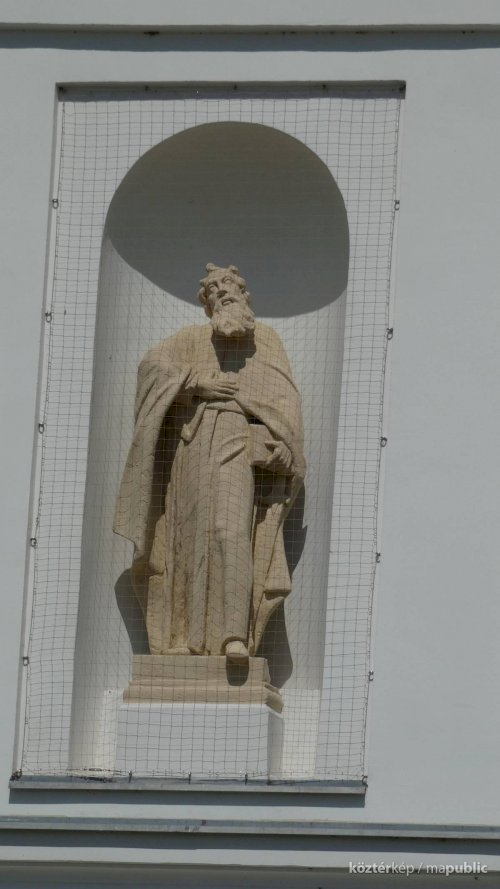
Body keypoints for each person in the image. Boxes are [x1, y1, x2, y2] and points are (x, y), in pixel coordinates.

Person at [114, 263, 305, 662]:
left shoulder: (265, 342)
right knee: (187, 537)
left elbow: (284, 404)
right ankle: (180, 636)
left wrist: (282, 443)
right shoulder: (189, 340)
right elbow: (150, 367)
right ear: (207, 305)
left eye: (229, 287)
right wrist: (194, 382)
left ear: (244, 294)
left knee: (229, 531)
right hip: (190, 446)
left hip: (237, 443)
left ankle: (233, 636)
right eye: (214, 292)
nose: (223, 294)